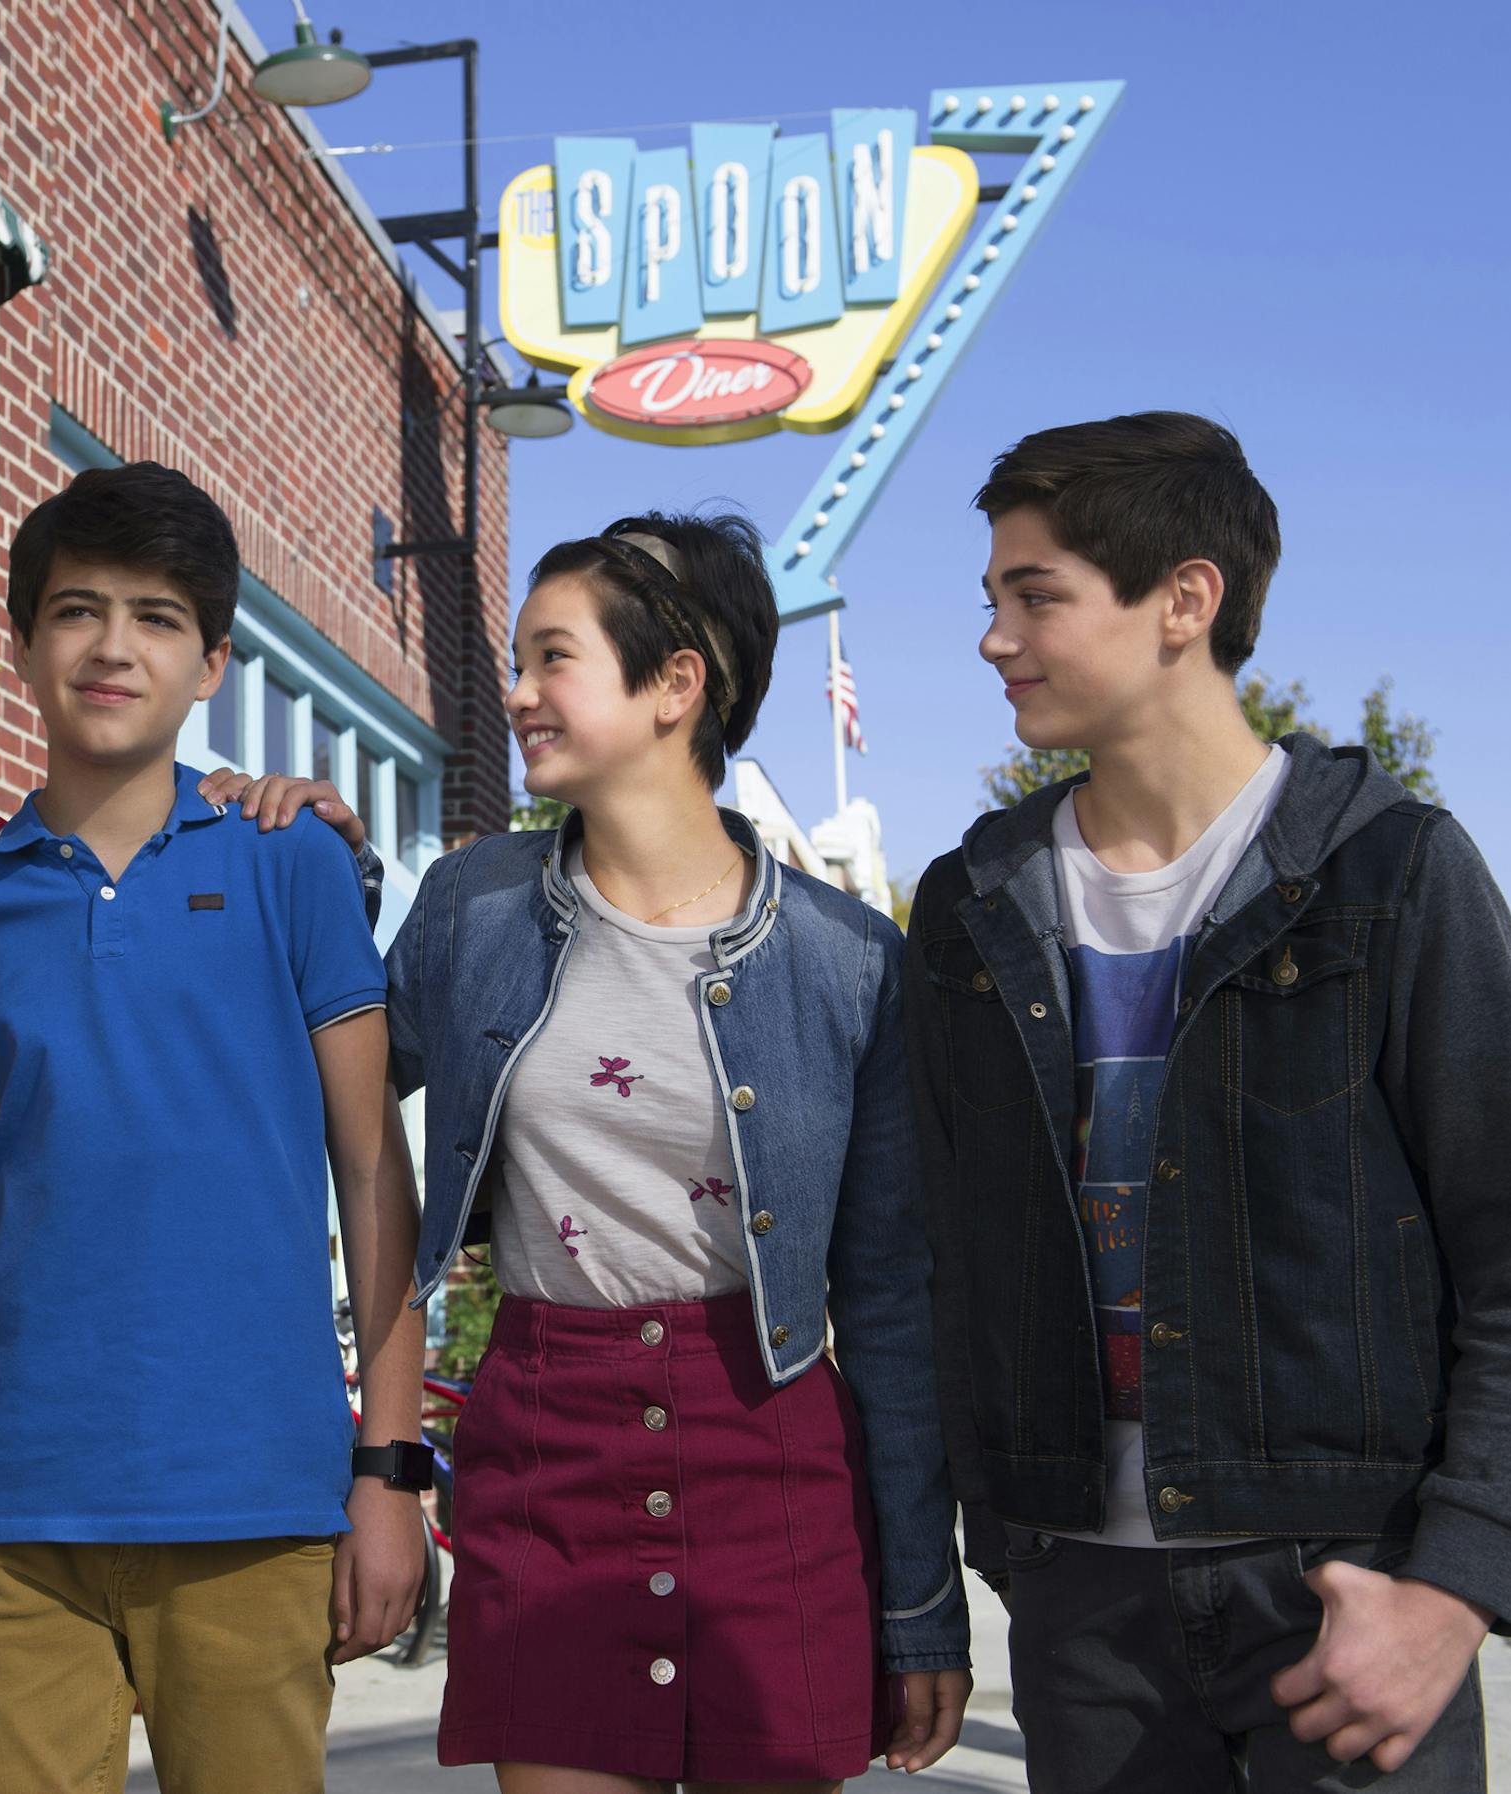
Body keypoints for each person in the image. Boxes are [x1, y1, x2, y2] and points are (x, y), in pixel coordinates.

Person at [207, 511, 972, 1792]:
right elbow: (325, 1080)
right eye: (518, 662)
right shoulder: (475, 906)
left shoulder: (849, 960)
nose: (517, 692)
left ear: (677, 684)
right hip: (545, 1447)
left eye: (551, 658)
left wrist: (921, 1606)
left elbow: (891, 1298)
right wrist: (321, 882)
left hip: (770, 1455)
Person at [903, 411, 1511, 1792]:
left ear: (1185, 600)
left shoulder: (1392, 873)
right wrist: (968, 1562)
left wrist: (1453, 1590)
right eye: (991, 598)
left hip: (1346, 1592)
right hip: (1078, 1604)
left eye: (1035, 595)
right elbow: (936, 1268)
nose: (994, 637)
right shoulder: (969, 907)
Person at [0, 462, 428, 1794]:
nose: (112, 645)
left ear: (210, 664)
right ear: (24, 643)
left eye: (156, 616)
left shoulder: (292, 860)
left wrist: (389, 1469)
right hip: (17, 1503)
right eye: (76, 610)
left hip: (253, 1491)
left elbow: (375, 1176)